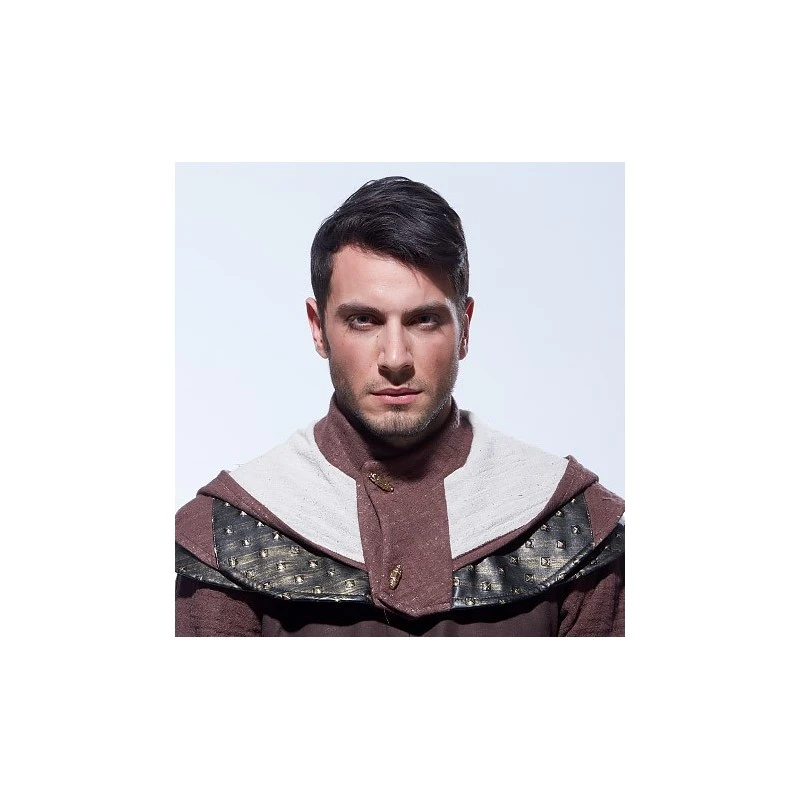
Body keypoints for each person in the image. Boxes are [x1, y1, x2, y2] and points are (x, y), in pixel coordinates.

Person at [175, 176, 624, 636]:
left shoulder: (573, 522)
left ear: (465, 328)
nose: (394, 358)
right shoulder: (231, 530)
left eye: (424, 320)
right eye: (363, 320)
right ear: (318, 328)